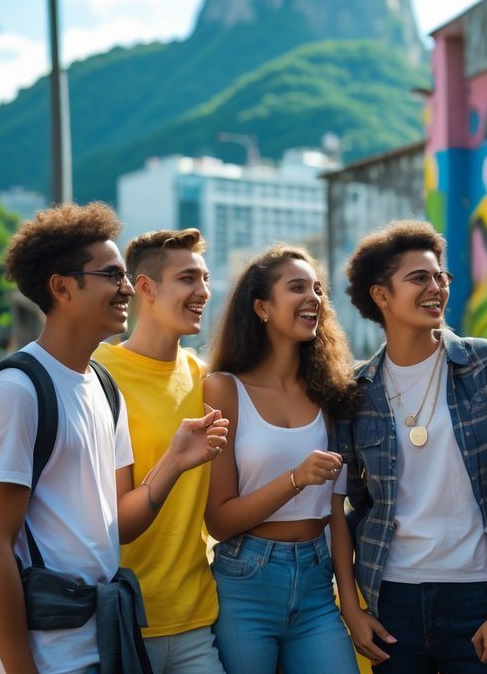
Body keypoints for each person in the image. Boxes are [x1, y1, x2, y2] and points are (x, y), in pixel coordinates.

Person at [0, 202, 228, 674]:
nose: (128, 287)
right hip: (51, 652)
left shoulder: (102, 387)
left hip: (108, 633)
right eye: (112, 275)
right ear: (62, 287)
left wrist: (173, 461)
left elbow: (120, 525)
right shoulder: (18, 388)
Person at [335, 220, 487, 674]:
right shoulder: (356, 391)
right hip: (392, 596)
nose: (436, 287)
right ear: (381, 296)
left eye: (441, 276)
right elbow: (344, 504)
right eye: (419, 277)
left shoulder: (483, 364)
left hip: (478, 591)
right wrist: (351, 606)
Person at [203, 244, 359, 674]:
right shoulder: (222, 389)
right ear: (262, 307)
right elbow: (219, 519)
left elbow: (335, 512)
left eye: (318, 289)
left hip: (315, 581)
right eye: (297, 288)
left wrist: (350, 603)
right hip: (246, 582)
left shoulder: (328, 391)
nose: (314, 298)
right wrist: (295, 477)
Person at [92, 228, 225, 673]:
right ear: (145, 287)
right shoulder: (97, 375)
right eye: (188, 278)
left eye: (205, 278)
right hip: (121, 617)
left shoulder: (206, 378)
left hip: (195, 617)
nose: (203, 291)